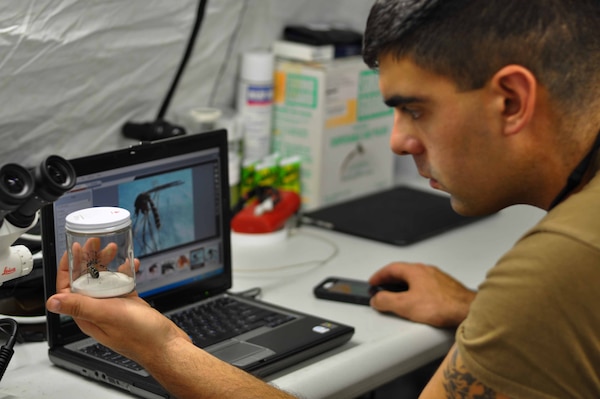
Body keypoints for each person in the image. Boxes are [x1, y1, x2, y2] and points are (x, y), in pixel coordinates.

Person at [46, 0, 600, 397]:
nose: (398, 141)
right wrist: (481, 310)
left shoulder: (558, 266)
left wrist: (162, 350)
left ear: (511, 101)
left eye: (415, 109)